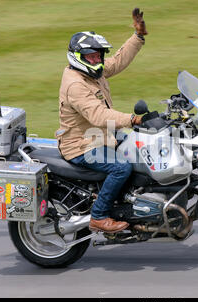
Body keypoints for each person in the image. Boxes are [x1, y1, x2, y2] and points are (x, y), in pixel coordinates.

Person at [55, 8, 148, 233]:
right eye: (92, 56)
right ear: (78, 57)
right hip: (82, 145)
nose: (97, 60)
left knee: (141, 148)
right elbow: (99, 115)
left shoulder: (91, 71)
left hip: (100, 136)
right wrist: (132, 119)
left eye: (98, 56)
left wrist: (138, 37)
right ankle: (98, 216)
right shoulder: (76, 84)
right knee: (121, 168)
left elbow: (116, 62)